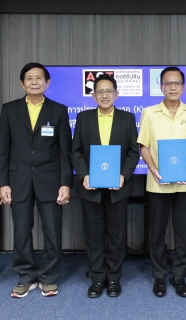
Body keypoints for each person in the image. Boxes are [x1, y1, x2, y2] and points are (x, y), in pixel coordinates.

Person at [0, 62, 73, 298]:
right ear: (22, 83)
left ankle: (49, 277)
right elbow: (3, 149)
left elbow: (65, 150)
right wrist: (3, 183)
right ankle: (26, 276)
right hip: (17, 179)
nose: (34, 82)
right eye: (29, 78)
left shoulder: (58, 110)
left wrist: (65, 183)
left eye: (38, 78)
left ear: (47, 83)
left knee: (52, 231)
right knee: (21, 231)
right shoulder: (9, 109)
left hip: (50, 179)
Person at [137, 66, 186, 298]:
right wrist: (152, 168)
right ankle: (159, 277)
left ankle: (180, 277)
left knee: (181, 232)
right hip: (157, 182)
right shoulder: (149, 113)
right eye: (168, 83)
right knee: (157, 233)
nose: (172, 87)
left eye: (176, 83)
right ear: (161, 87)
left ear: (183, 87)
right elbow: (143, 146)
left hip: (184, 183)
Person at [71, 74, 139, 298]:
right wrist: (84, 175)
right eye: (100, 91)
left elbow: (133, 152)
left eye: (109, 91)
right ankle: (98, 278)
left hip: (118, 188)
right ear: (93, 96)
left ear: (116, 94)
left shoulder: (127, 118)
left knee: (117, 236)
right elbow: (76, 151)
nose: (104, 95)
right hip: (91, 188)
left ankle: (114, 279)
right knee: (94, 235)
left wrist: (123, 176)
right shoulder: (84, 118)